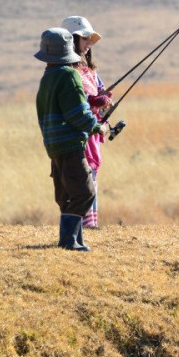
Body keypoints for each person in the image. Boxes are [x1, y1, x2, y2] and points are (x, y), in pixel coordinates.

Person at [35, 27, 109, 251]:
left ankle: (73, 239)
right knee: (86, 192)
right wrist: (99, 128)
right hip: (71, 144)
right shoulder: (69, 76)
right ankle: (69, 239)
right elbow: (78, 114)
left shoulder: (47, 78)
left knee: (67, 194)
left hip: (54, 146)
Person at [60, 15, 111, 229]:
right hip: (76, 135)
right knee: (83, 179)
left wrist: (105, 99)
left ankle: (89, 224)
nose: (89, 44)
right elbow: (75, 100)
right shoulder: (66, 72)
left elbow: (101, 92)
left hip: (93, 134)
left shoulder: (91, 71)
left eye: (90, 39)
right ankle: (81, 226)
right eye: (84, 39)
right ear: (72, 40)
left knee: (92, 177)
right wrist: (93, 101)